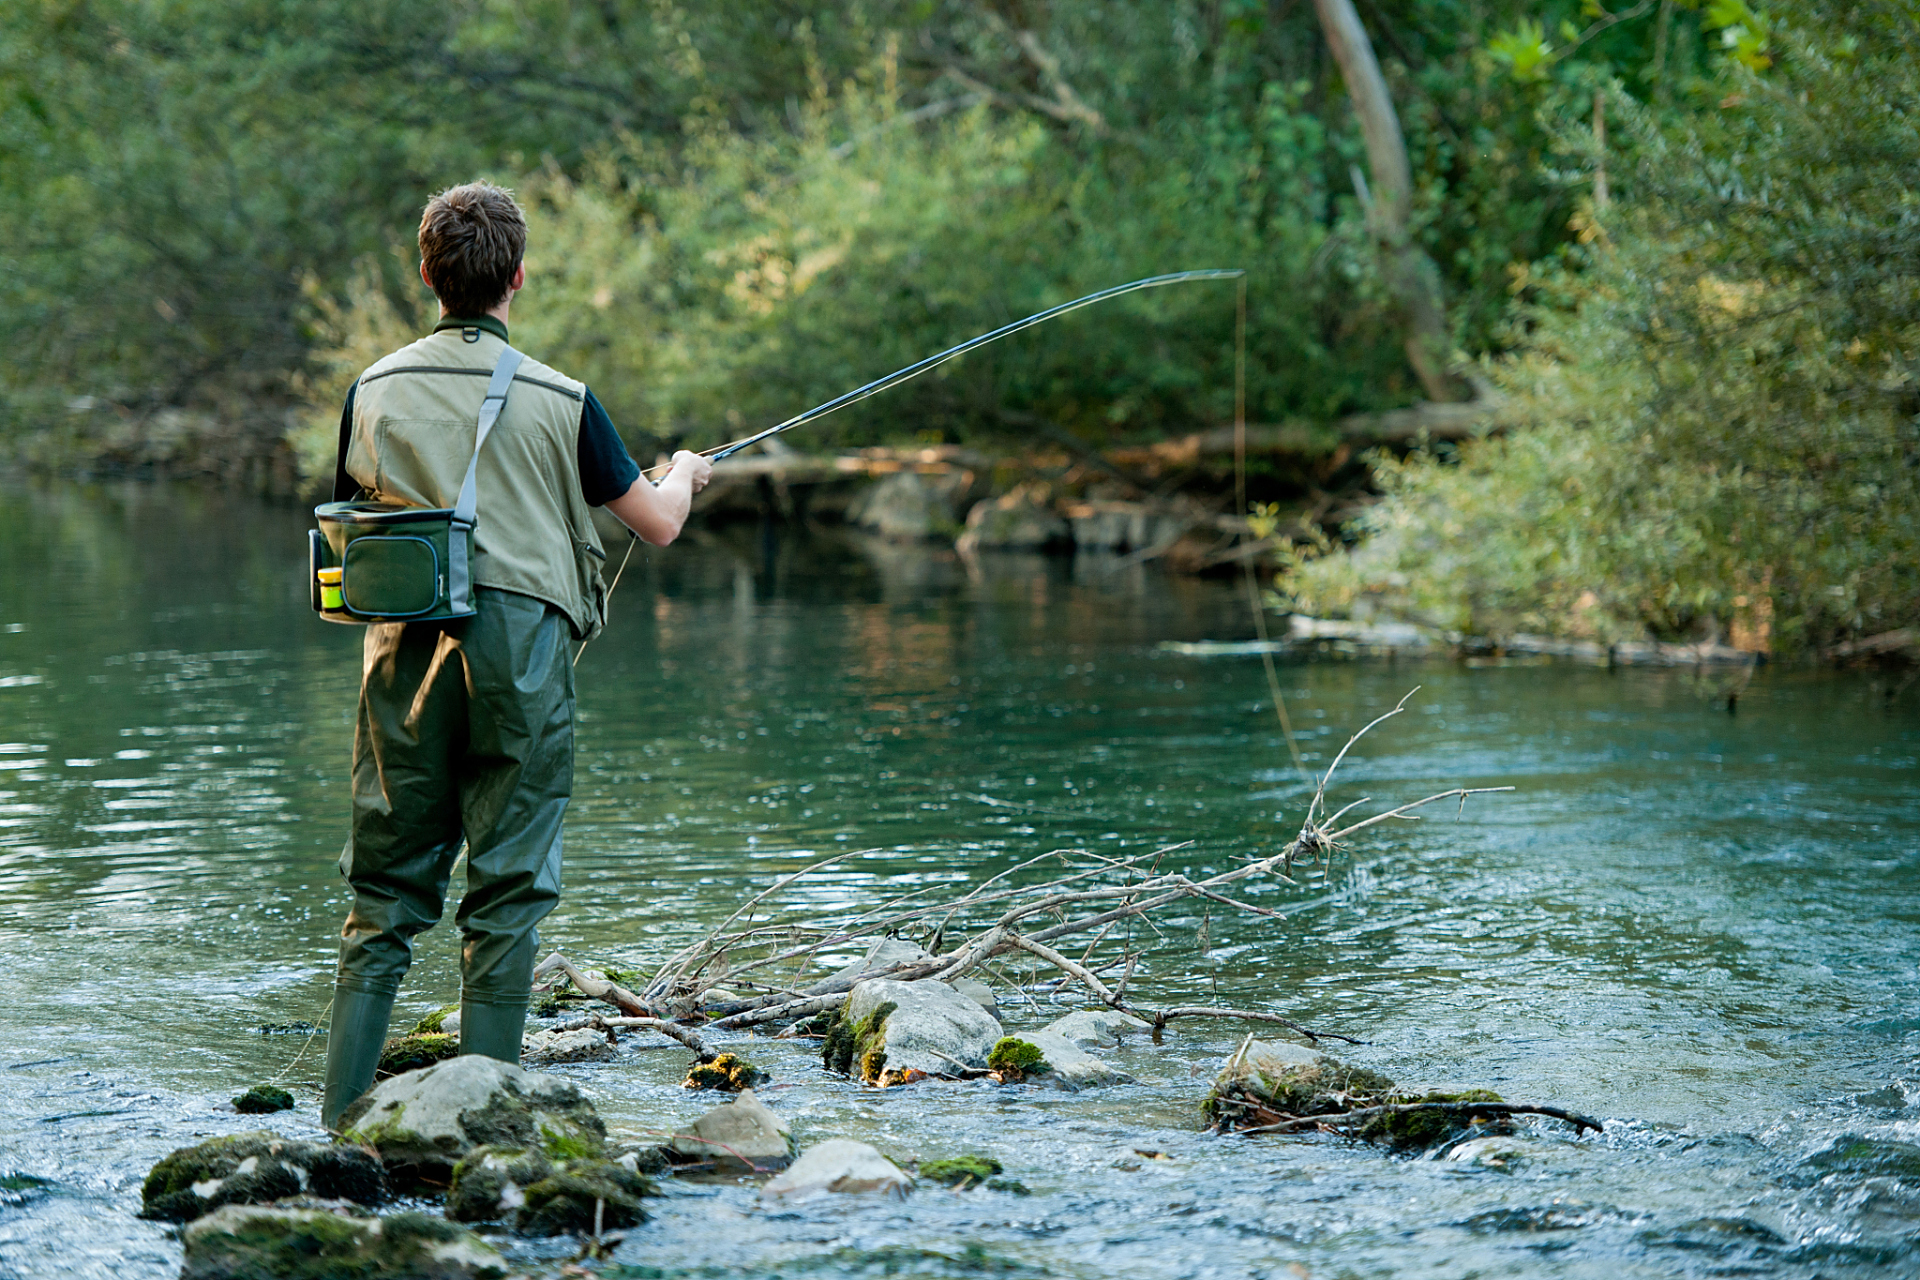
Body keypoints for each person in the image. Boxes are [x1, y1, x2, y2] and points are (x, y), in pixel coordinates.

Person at [319, 181, 712, 1129]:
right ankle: (484, 1132)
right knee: (508, 886)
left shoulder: (371, 388)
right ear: (518, 278)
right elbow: (655, 525)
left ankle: (335, 1128)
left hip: (402, 652)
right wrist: (688, 472)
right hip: (524, 651)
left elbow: (353, 518)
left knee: (383, 894)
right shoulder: (562, 398)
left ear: (427, 276)